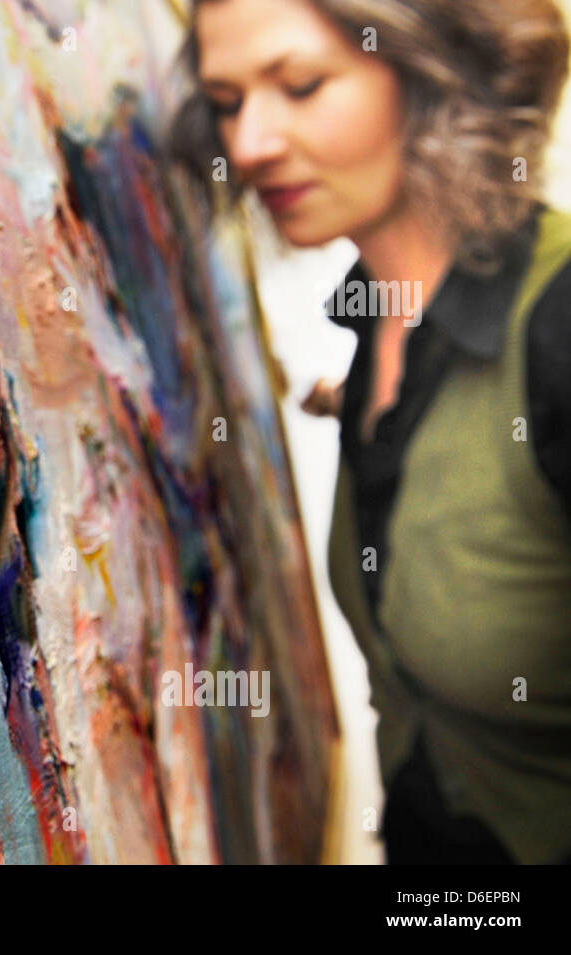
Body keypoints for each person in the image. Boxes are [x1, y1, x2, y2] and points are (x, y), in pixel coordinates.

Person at [168, 0, 571, 864]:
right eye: (229, 102)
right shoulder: (374, 326)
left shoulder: (560, 330)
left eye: (301, 85)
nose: (249, 145)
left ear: (438, 77)